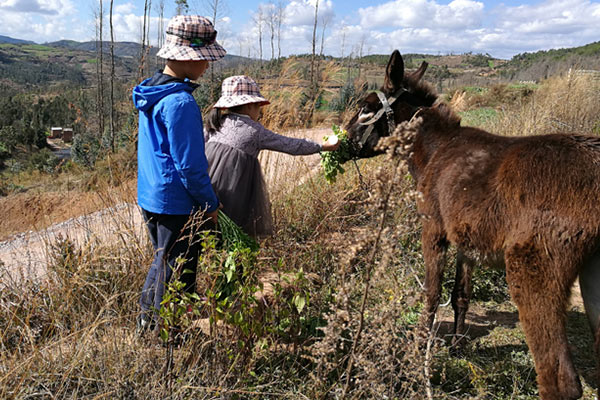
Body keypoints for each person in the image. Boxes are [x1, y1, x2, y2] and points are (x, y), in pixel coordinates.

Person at [132, 15, 226, 333]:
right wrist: (209, 203)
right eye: (205, 59)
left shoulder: (152, 93)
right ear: (189, 58)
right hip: (175, 202)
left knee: (163, 261)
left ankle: (148, 321)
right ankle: (172, 336)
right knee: (179, 270)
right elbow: (189, 166)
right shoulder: (181, 102)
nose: (207, 66)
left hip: (151, 195)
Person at [204, 75, 340, 238]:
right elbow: (290, 145)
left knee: (208, 228)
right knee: (232, 227)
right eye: (258, 106)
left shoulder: (215, 123)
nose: (259, 111)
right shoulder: (254, 131)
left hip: (207, 185)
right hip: (234, 189)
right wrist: (322, 146)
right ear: (249, 106)